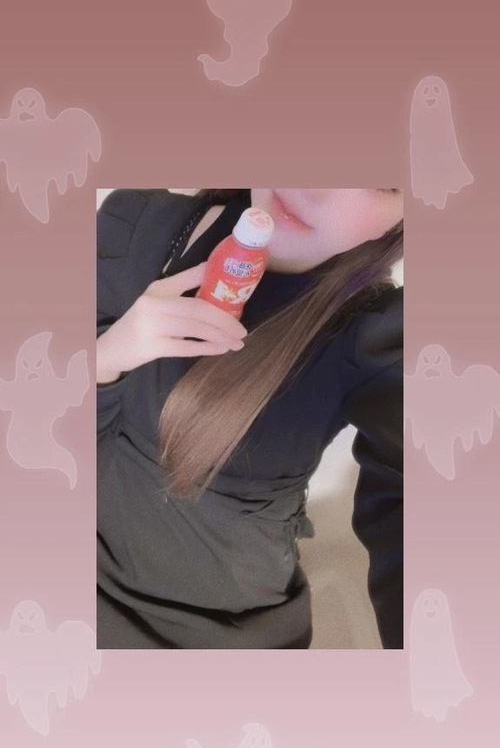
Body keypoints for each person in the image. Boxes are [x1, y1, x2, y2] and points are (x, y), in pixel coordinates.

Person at [97, 188, 403, 650]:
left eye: (379, 179)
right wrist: (104, 358)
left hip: (217, 637)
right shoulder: (128, 218)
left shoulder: (378, 338)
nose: (315, 183)